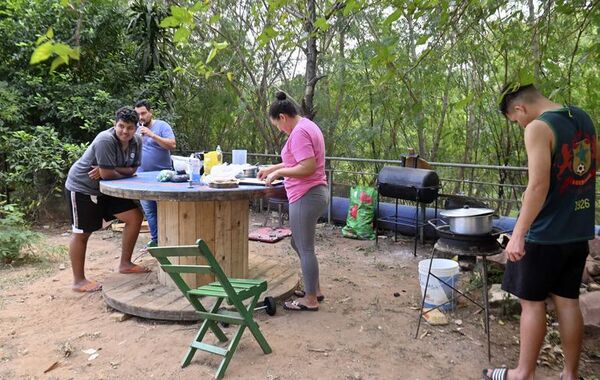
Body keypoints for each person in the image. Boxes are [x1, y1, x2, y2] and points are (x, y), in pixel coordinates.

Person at [484, 83, 597, 380]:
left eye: (514, 119)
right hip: (577, 231)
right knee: (567, 301)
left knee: (531, 304)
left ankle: (523, 373)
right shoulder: (582, 118)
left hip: (545, 234)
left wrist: (518, 233)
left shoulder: (538, 128)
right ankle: (570, 374)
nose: (518, 124)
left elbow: (537, 186)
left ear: (519, 108)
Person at [65, 107, 148, 293]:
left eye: (129, 127)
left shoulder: (137, 141)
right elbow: (108, 174)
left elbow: (131, 170)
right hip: (82, 187)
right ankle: (78, 281)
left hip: (105, 188)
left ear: (136, 128)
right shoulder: (105, 140)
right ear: (114, 124)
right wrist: (110, 172)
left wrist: (109, 170)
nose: (125, 131)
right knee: (82, 233)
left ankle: (125, 264)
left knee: (134, 217)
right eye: (121, 126)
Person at [258, 91, 328, 311]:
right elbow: (295, 160)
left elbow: (306, 166)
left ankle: (310, 299)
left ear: (282, 118)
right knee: (298, 243)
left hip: (306, 195)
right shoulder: (307, 125)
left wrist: (279, 175)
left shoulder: (298, 133)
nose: (279, 129)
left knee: (305, 247)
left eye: (277, 125)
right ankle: (313, 289)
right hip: (315, 193)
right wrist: (273, 168)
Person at [134, 99, 176, 249]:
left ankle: (170, 241)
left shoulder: (162, 126)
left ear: (150, 112)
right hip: (142, 178)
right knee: (150, 212)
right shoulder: (135, 129)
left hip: (163, 177)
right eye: (138, 114)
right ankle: (156, 241)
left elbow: (172, 144)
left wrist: (152, 135)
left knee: (166, 210)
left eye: (143, 113)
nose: (141, 117)